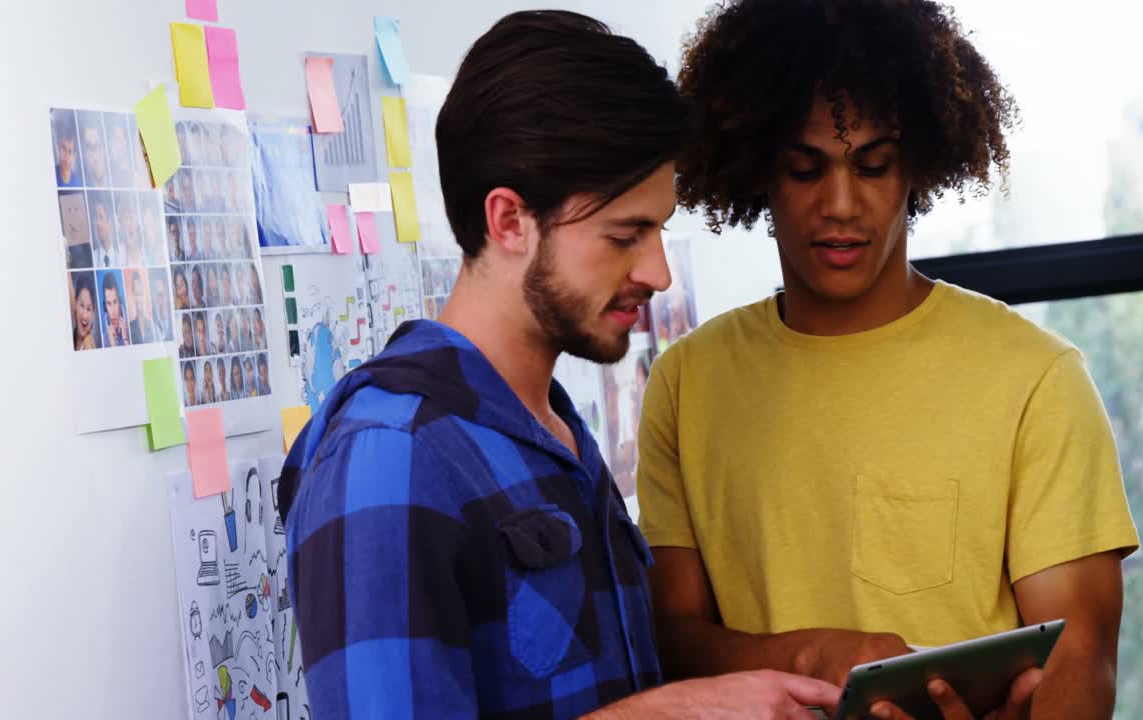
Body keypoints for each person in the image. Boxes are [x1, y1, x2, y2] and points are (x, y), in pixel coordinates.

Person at [276, 11, 838, 720]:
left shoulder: (554, 433)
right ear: (510, 221)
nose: (659, 272)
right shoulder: (390, 453)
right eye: (625, 235)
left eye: (658, 230)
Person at [638, 2, 1141, 719]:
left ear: (921, 167)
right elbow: (671, 640)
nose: (840, 204)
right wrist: (808, 658)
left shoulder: (1035, 379)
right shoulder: (686, 384)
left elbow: (1082, 658)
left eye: (873, 166)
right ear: (757, 172)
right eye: (804, 169)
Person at [52, 110, 83, 188]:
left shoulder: (78, 182)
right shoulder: (52, 174)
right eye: (63, 148)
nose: (66, 155)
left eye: (70, 152)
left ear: (74, 156)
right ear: (58, 147)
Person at [79, 112, 110, 188]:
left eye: (97, 145)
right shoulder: (81, 186)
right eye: (88, 146)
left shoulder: (120, 180)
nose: (94, 155)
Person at [100, 272, 130, 348]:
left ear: (120, 303)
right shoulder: (104, 341)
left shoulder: (131, 331)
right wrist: (112, 343)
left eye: (115, 302)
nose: (113, 311)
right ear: (105, 307)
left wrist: (125, 339)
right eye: (109, 304)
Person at [70, 273, 99, 351]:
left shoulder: (88, 344)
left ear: (93, 314)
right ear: (75, 304)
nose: (84, 316)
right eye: (82, 305)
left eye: (89, 309)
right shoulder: (74, 337)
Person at [90, 193, 116, 267]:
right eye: (96, 218)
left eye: (101, 217)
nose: (97, 223)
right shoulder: (92, 259)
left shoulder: (120, 257)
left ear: (109, 222)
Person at [127, 270, 153, 344]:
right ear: (133, 296)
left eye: (141, 294)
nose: (139, 299)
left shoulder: (151, 325)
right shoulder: (130, 327)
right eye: (136, 294)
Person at [150, 269, 173, 342]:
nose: (160, 300)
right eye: (157, 295)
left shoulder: (172, 320)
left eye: (161, 295)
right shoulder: (152, 324)